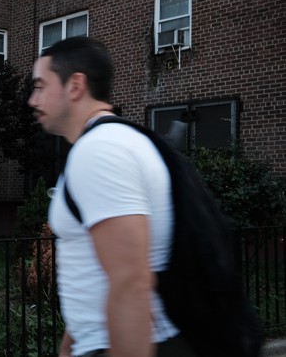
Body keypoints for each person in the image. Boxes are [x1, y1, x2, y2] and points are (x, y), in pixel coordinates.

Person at [28, 37, 190, 357]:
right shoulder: (109, 142)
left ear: (75, 86)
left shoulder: (101, 151)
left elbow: (130, 280)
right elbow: (93, 271)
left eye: (40, 86)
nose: (33, 100)